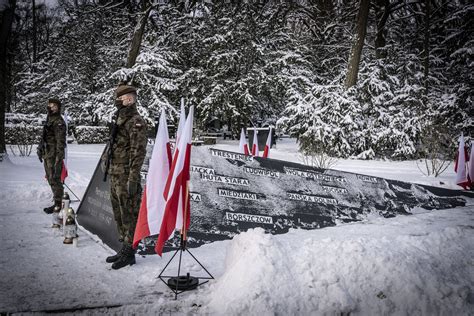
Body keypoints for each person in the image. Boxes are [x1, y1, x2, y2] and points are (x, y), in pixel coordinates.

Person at [102, 84, 147, 270]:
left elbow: (138, 152)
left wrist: (133, 179)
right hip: (116, 173)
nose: (117, 101)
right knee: (119, 212)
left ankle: (130, 251)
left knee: (129, 212)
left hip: (127, 175)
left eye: (119, 98)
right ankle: (124, 247)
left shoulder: (135, 121)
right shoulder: (120, 119)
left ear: (128, 99)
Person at [37, 98, 66, 215]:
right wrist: (40, 149)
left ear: (58, 107)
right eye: (49, 105)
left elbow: (60, 141)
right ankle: (57, 201)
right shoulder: (49, 119)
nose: (50, 107)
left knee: (55, 179)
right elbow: (44, 136)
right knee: (50, 178)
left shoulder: (58, 121)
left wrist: (59, 158)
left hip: (54, 154)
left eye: (53, 105)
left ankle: (59, 204)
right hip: (47, 153)